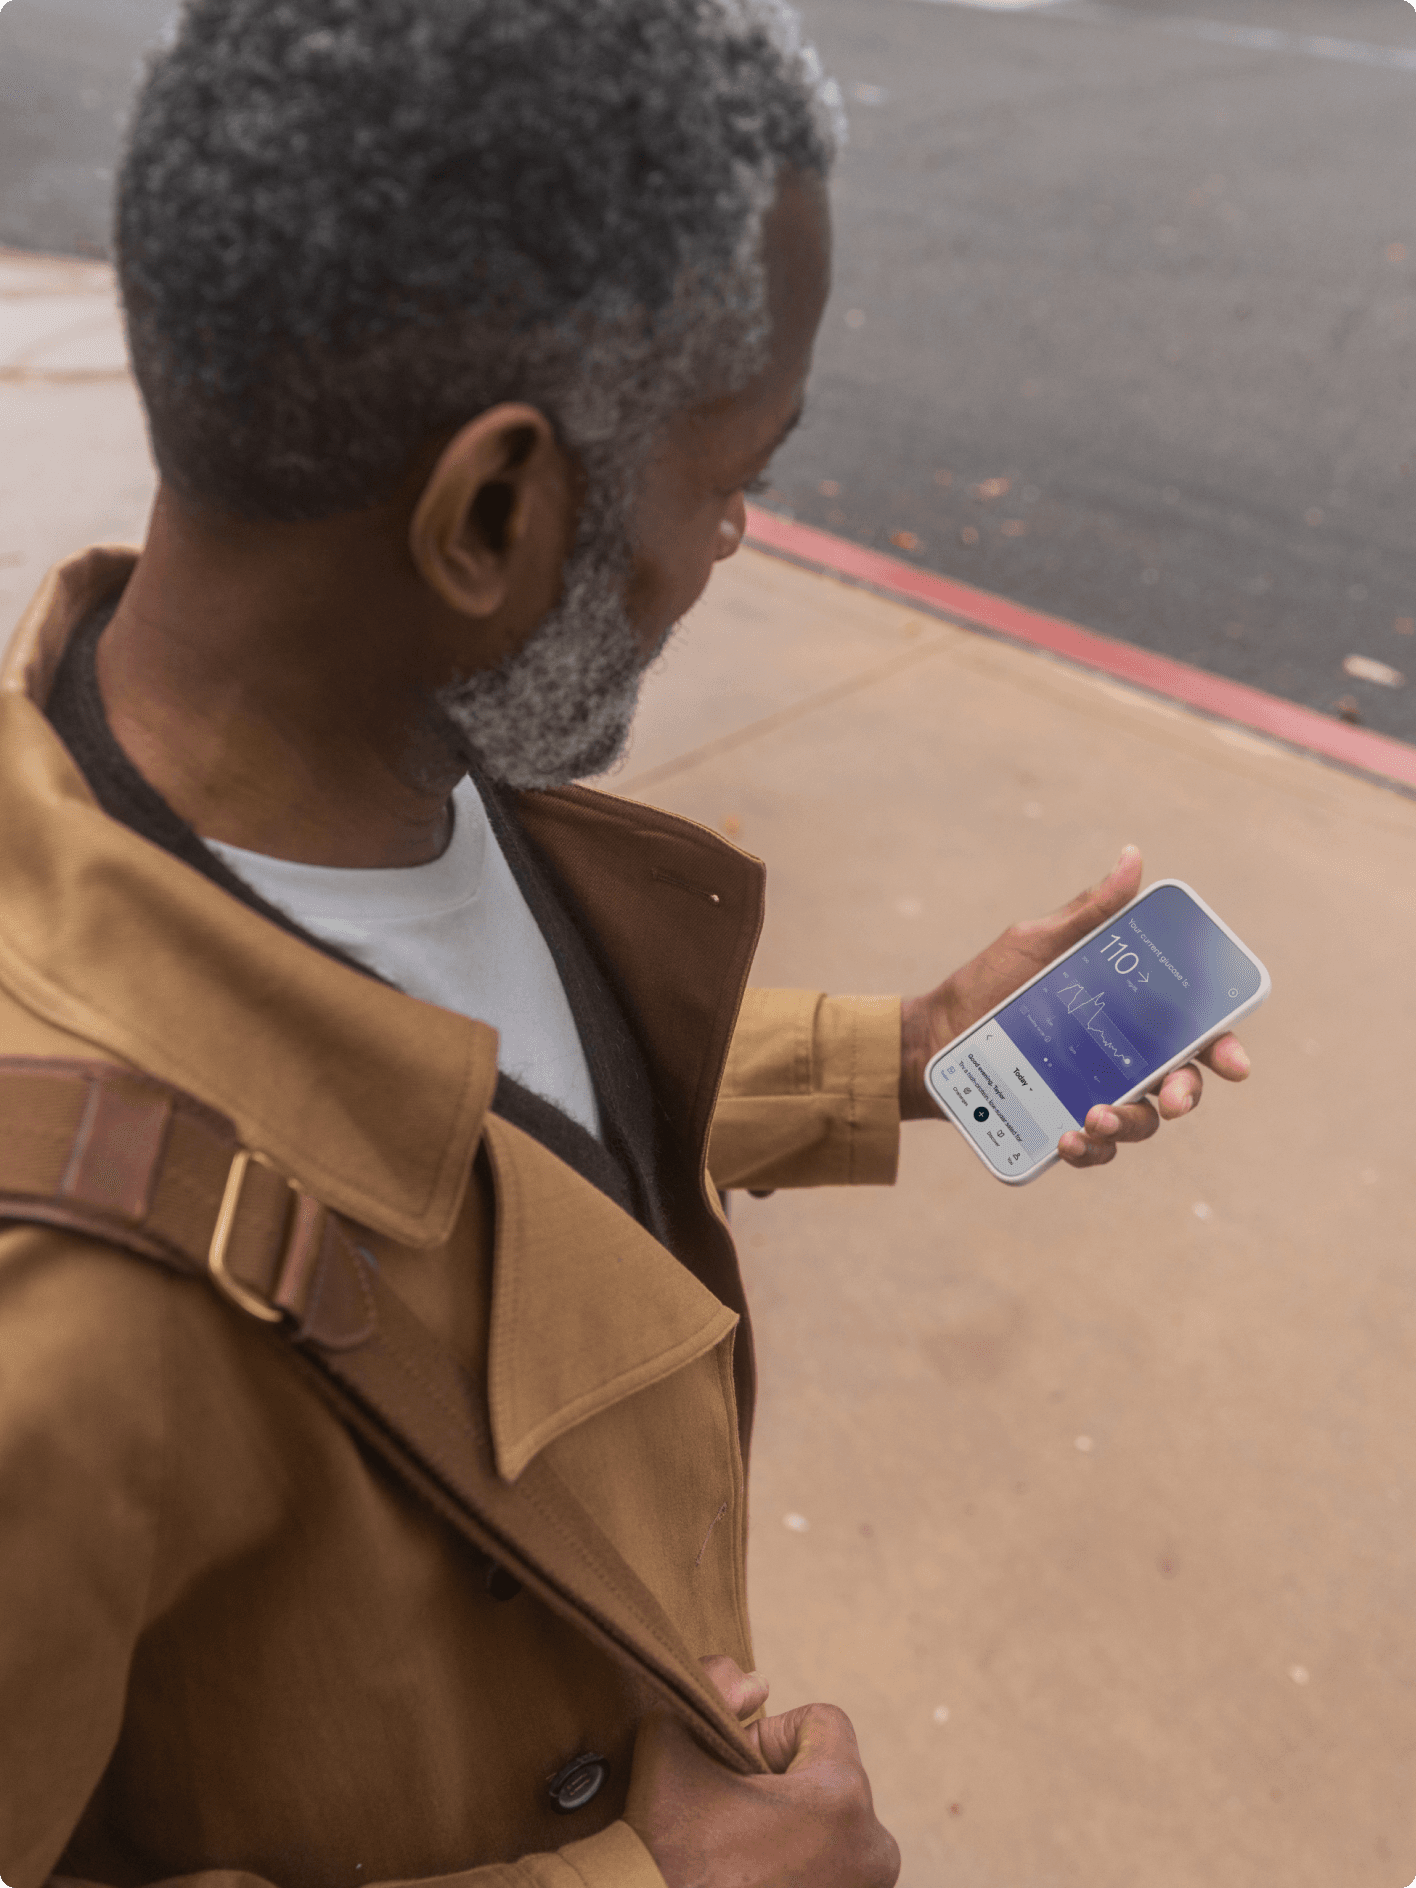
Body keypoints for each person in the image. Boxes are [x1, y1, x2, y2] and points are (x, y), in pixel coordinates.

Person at [0, 3, 1250, 1885]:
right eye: (729, 470)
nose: (738, 531)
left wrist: (898, 1055)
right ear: (492, 512)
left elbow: (470, 1111)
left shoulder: (358, 738)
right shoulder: (51, 1349)